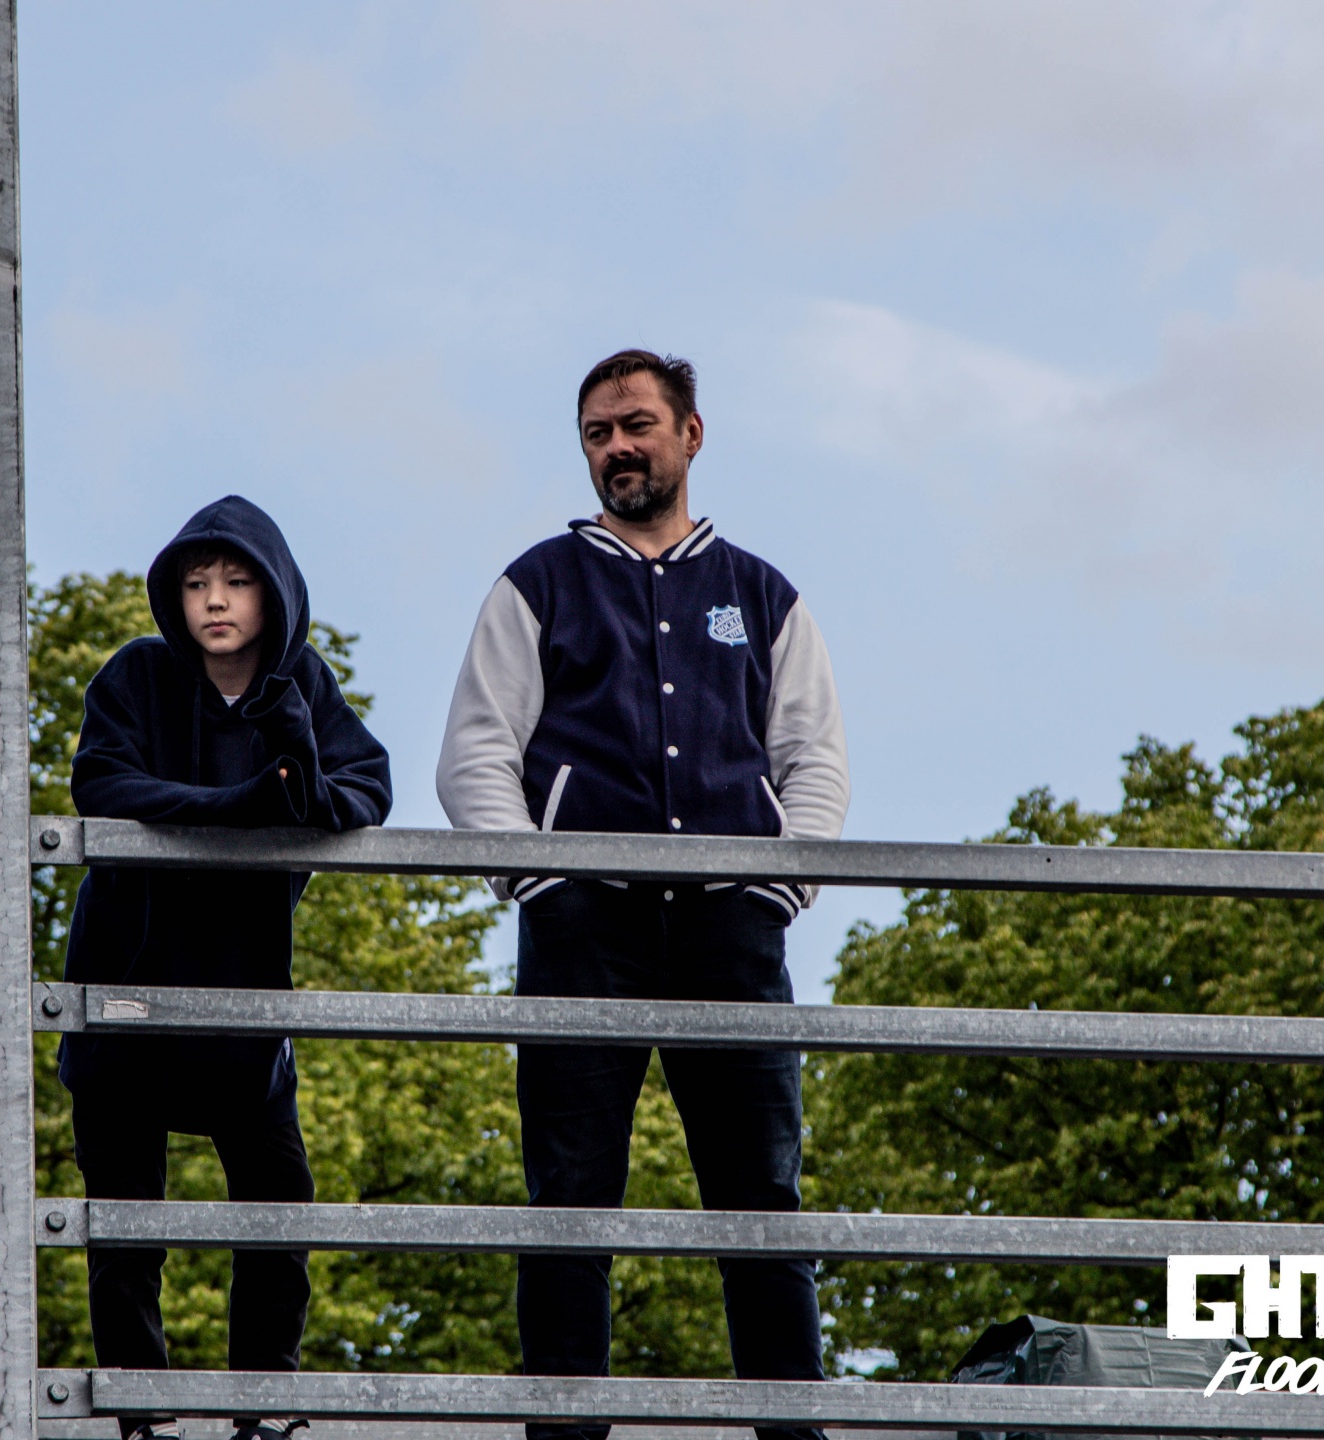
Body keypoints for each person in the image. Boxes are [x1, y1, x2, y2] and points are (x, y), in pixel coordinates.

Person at [436, 351, 849, 1440]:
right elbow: (475, 753)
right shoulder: (537, 583)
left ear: (690, 435)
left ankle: (791, 1433)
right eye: (596, 433)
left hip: (731, 927)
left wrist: (776, 890)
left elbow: (814, 757)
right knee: (569, 1193)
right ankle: (567, 1435)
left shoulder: (762, 593)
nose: (616, 447)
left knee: (762, 1193)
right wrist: (544, 882)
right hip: (584, 925)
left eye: (636, 425)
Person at [61, 494, 393, 1440]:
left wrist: (301, 787)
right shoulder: (136, 674)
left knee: (280, 1206)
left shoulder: (304, 685)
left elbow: (367, 786)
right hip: (124, 993)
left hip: (245, 1002)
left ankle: (266, 1407)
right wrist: (246, 804)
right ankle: (142, 1415)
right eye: (197, 583)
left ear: (272, 593)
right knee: (127, 1226)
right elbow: (100, 781)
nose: (215, 600)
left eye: (238, 581)